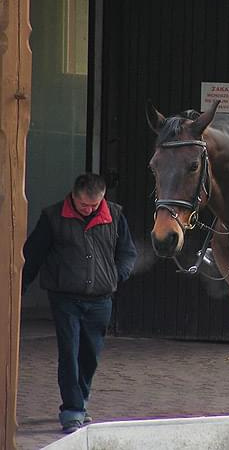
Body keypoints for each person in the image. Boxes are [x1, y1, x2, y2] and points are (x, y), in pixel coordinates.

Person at [22, 173, 137, 434]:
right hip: (65, 299)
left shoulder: (116, 215)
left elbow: (127, 252)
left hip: (101, 300)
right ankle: (72, 410)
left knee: (90, 355)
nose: (89, 209)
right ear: (74, 195)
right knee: (69, 353)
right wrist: (18, 288)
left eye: (95, 205)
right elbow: (33, 255)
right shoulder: (52, 217)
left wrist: (116, 276)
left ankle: (80, 402)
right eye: (84, 205)